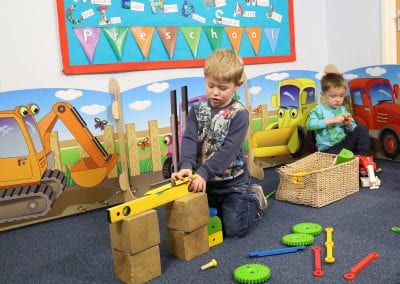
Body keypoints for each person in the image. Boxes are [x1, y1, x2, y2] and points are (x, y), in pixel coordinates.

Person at [171, 48, 267, 238]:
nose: (215, 93)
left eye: (223, 88)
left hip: (232, 183)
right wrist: (187, 165)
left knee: (233, 231)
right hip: (205, 182)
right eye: (211, 85)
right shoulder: (197, 110)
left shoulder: (239, 114)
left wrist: (204, 172)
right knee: (199, 224)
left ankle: (253, 199)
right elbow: (189, 139)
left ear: (236, 85)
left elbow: (229, 151)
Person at [306, 71, 371, 156]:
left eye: (341, 96)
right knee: (336, 156)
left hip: (344, 145)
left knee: (362, 129)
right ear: (323, 94)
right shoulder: (319, 110)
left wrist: (349, 125)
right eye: (333, 96)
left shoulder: (343, 109)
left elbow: (352, 130)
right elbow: (310, 125)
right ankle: (346, 159)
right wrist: (332, 120)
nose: (338, 100)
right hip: (328, 150)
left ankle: (362, 156)